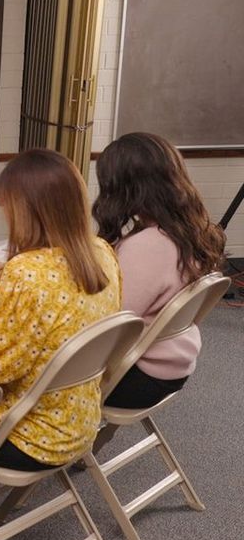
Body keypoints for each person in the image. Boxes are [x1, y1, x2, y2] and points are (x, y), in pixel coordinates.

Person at [0, 149, 121, 470]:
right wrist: (9, 286)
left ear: (25, 209)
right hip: (80, 422)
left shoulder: (26, 272)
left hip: (27, 436)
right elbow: (61, 305)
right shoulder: (102, 252)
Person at [92, 132, 225, 409]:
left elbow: (107, 323)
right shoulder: (190, 231)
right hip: (172, 365)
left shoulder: (147, 246)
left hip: (138, 377)